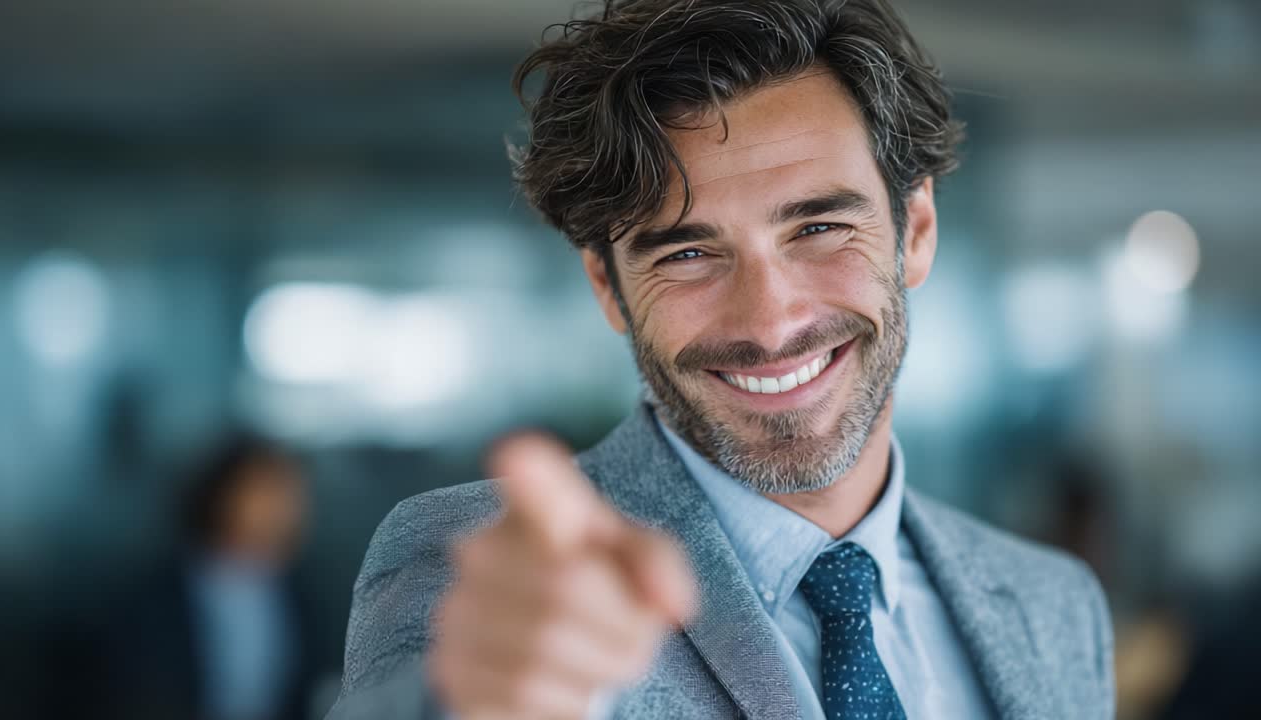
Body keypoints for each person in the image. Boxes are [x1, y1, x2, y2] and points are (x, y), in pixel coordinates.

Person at [328, 1, 1115, 718]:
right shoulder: (489, 569)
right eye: (690, 252)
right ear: (608, 285)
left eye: (817, 229)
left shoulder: (1054, 605)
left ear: (915, 229)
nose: (770, 323)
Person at [100, 433, 320, 720]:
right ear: (222, 494)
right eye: (268, 491)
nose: (284, 511)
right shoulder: (152, 598)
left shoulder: (302, 598)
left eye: (293, 495)